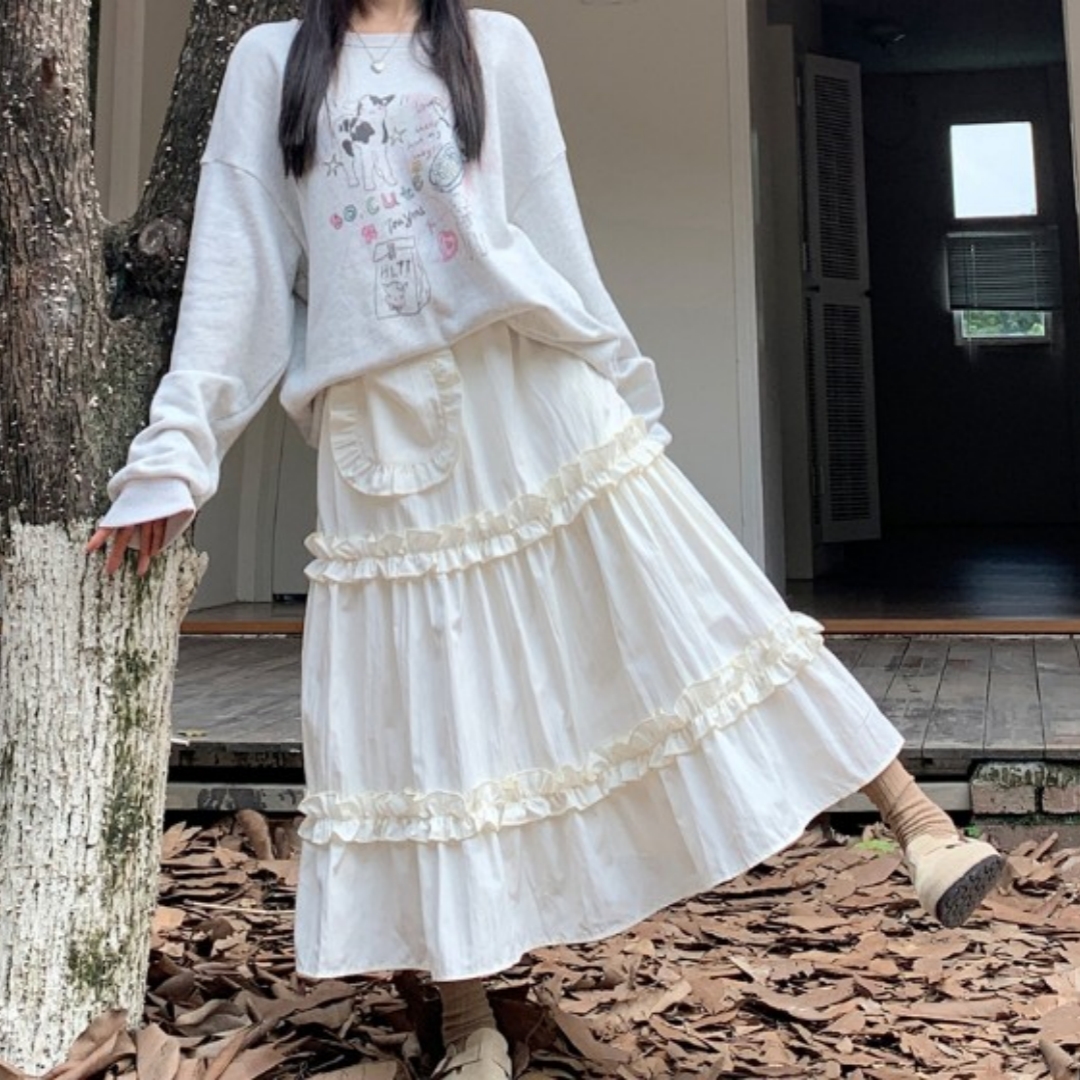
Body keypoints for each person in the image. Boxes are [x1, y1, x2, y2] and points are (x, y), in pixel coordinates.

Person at [88, 2, 1006, 1076]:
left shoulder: (495, 44)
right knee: (424, 715)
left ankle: (922, 827)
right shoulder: (270, 60)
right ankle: (467, 1017)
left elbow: (546, 225)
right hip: (382, 429)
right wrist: (177, 453)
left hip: (529, 387)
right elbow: (237, 266)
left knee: (689, 594)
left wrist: (620, 387)